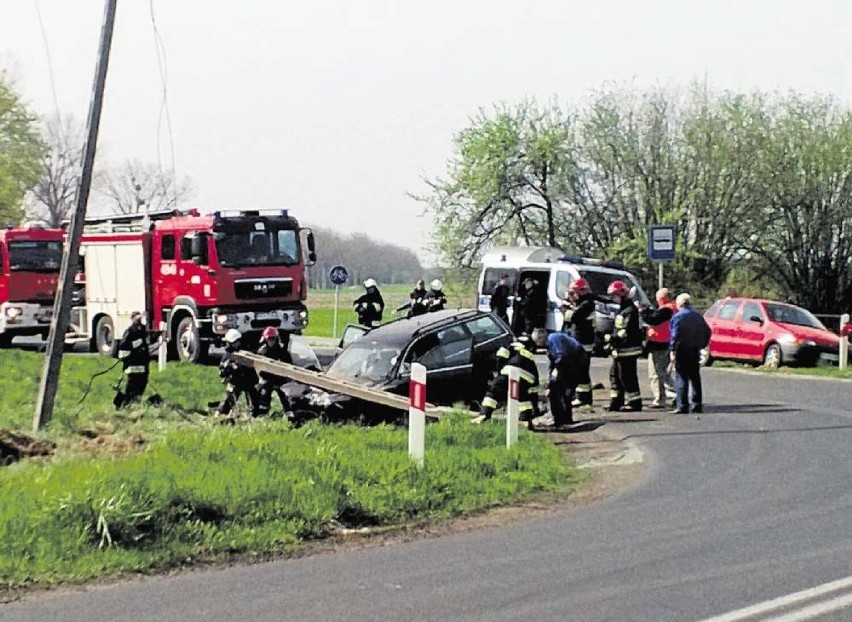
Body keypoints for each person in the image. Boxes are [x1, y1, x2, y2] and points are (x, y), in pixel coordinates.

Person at [472, 336, 541, 427]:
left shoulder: (510, 346)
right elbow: (535, 379)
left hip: (508, 373)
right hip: (527, 379)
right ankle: (526, 420)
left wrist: (500, 372)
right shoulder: (530, 355)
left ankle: (484, 414)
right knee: (524, 399)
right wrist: (535, 406)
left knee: (492, 393)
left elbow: (500, 357)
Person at [532, 328, 588, 427]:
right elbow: (553, 363)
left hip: (576, 361)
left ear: (540, 339)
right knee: (557, 389)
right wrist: (551, 380)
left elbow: (561, 357)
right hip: (567, 362)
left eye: (536, 342)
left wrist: (555, 376)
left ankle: (565, 419)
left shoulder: (553, 339)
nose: (536, 345)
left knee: (566, 390)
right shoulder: (549, 345)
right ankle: (560, 418)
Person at [669, 293, 712, 414]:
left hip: (682, 349)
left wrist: (672, 350)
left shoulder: (678, 317)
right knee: (695, 377)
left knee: (681, 377)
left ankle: (682, 405)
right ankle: (697, 404)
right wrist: (702, 344)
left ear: (680, 303)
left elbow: (674, 335)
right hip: (694, 349)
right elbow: (707, 331)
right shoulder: (698, 316)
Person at [605, 280, 644, 412]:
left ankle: (635, 403)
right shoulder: (623, 309)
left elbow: (626, 331)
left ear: (621, 294)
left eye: (614, 295)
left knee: (627, 377)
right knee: (614, 376)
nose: (613, 299)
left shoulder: (630, 310)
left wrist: (611, 338)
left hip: (628, 350)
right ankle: (616, 401)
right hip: (620, 349)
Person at [560, 277, 597, 410]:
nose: (572, 295)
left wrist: (564, 309)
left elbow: (574, 317)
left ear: (580, 292)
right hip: (580, 341)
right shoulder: (583, 303)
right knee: (581, 372)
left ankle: (584, 398)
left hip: (583, 342)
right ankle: (582, 397)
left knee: (580, 371)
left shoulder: (587, 304)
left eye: (574, 292)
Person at [640, 287, 677, 409]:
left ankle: (675, 395)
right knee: (656, 373)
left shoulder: (667, 309)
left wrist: (642, 311)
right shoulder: (669, 308)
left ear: (661, 298)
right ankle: (660, 398)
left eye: (658, 298)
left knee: (660, 373)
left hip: (660, 344)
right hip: (659, 343)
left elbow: (653, 320)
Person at [216, 329, 260, 416]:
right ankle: (221, 413)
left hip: (248, 379)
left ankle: (254, 414)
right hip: (234, 381)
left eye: (238, 341)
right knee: (229, 398)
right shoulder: (227, 356)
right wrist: (230, 368)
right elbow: (222, 371)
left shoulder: (245, 351)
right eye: (235, 342)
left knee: (253, 397)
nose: (238, 343)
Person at [113, 311, 150, 409]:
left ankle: (135, 404)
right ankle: (125, 404)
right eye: (137, 318)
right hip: (132, 367)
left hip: (143, 366)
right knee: (132, 388)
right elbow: (124, 346)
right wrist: (140, 343)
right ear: (132, 319)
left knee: (141, 387)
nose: (139, 320)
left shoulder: (142, 330)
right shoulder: (129, 331)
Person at [254, 326, 292, 416]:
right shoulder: (262, 352)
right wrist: (260, 355)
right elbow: (259, 369)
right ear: (265, 339)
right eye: (269, 339)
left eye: (273, 339)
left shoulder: (282, 351)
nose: (271, 341)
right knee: (264, 394)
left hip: (280, 379)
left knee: (284, 395)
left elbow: (289, 365)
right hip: (267, 379)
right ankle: (262, 413)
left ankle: (289, 412)